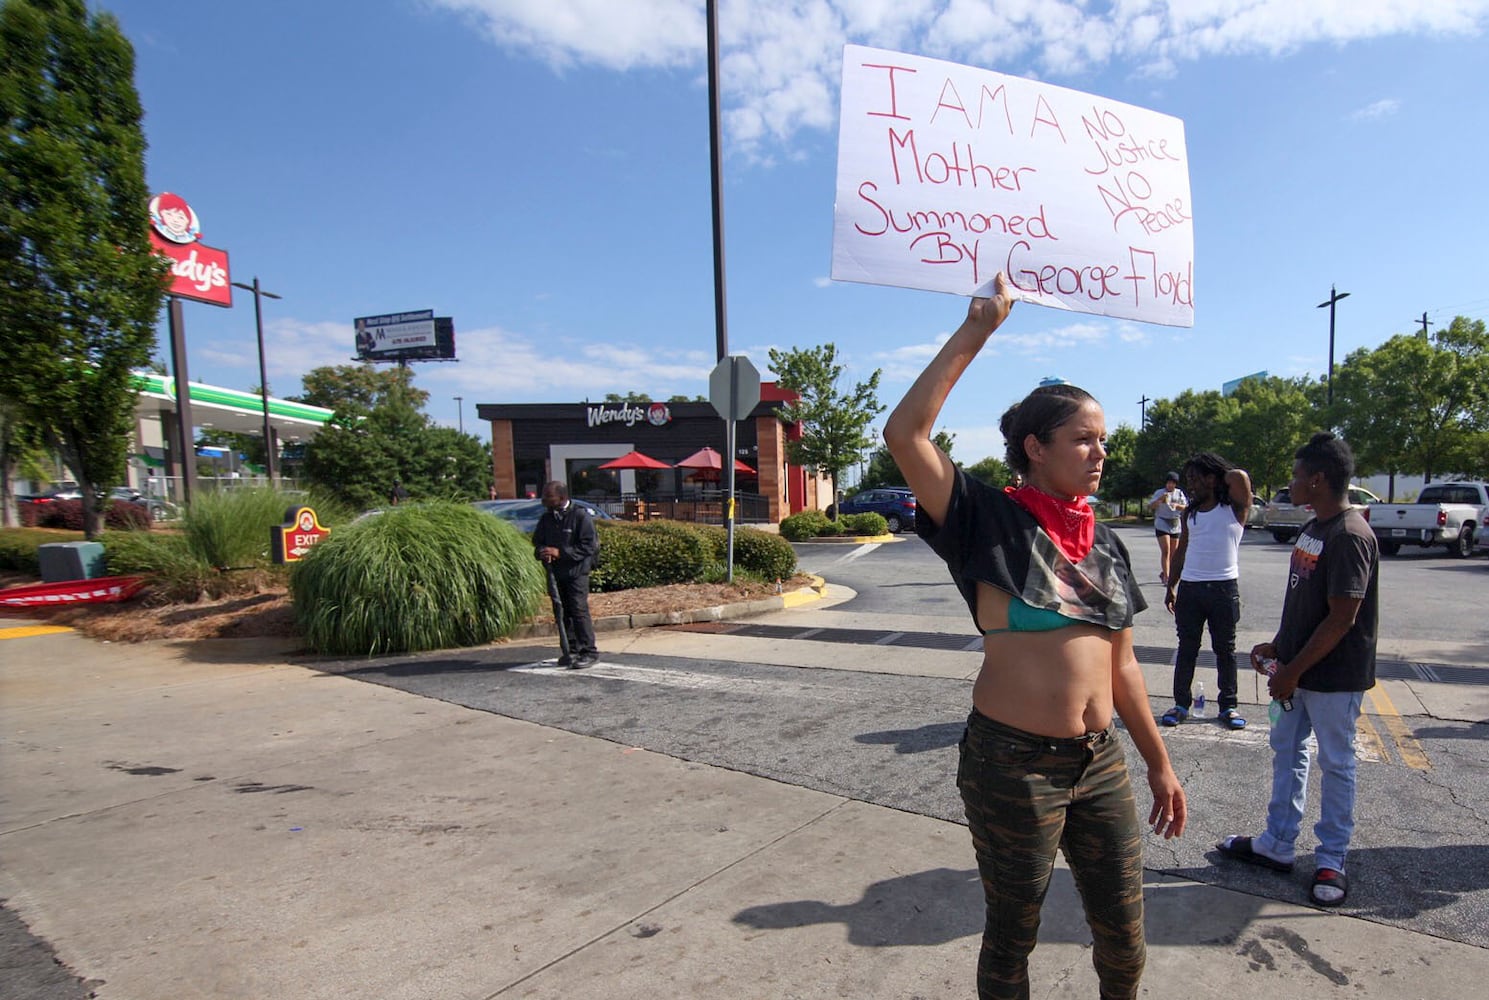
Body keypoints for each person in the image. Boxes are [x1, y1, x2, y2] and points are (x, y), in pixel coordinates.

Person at [883, 272, 1185, 1000]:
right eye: (1082, 439)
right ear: (1034, 446)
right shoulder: (984, 518)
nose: (1099, 451)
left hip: (1099, 762)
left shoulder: (1103, 542)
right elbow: (904, 435)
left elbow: (1123, 671)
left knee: (1124, 938)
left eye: (1103, 440)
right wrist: (977, 329)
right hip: (1012, 765)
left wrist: (1158, 764)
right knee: (1012, 932)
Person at [1216, 432, 1379, 908]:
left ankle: (1331, 859)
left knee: (1337, 763)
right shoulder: (1316, 528)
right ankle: (1277, 843)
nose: (1291, 483)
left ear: (1318, 479)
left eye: (1296, 475)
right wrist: (1279, 648)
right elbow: (1305, 601)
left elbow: (1342, 618)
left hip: (1333, 678)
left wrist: (1293, 670)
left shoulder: (1349, 535)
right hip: (1297, 671)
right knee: (1287, 752)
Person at [1161, 453, 1253, 730]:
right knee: (1187, 648)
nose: (1190, 486)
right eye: (1187, 480)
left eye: (1195, 479)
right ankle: (1180, 705)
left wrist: (1214, 475)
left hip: (1224, 589)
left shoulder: (1235, 509)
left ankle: (1228, 706)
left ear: (1213, 478)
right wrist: (1171, 585)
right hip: (1190, 589)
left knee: (1225, 650)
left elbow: (1239, 477)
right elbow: (1181, 552)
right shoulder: (1190, 513)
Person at [532, 480, 600, 668]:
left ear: (562, 497)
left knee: (578, 610)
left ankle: (589, 651)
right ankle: (572, 650)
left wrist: (561, 553)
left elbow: (588, 546)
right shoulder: (547, 518)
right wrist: (542, 552)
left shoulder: (579, 516)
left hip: (577, 572)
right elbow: (537, 542)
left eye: (549, 497)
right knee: (563, 612)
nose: (544, 500)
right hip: (557, 572)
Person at [1147, 472, 1187, 584]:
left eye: (1173, 483)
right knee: (1166, 550)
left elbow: (1185, 507)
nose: (1170, 485)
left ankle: (1164, 572)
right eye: (1169, 482)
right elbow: (1150, 506)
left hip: (1175, 522)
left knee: (1174, 553)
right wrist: (1160, 500)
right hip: (1162, 521)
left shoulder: (1179, 494)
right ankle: (1167, 577)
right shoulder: (1160, 493)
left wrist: (1177, 506)